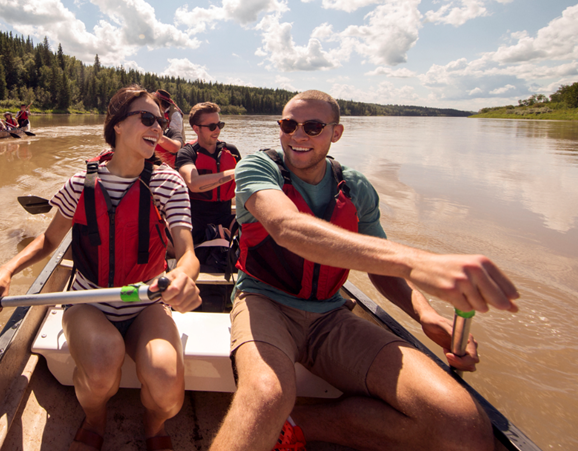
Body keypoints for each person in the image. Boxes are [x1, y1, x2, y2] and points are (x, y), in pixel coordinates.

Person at [209, 90, 520, 451]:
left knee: (461, 425)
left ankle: (301, 424)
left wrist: (426, 315)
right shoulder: (258, 167)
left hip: (329, 315)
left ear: (336, 133)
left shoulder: (355, 187)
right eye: (289, 124)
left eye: (312, 127)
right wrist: (419, 262)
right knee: (266, 396)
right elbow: (286, 227)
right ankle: (276, 419)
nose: (298, 135)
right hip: (263, 304)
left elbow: (383, 272)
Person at [0, 85, 201, 451]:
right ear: (116, 126)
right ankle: (95, 419)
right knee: (101, 367)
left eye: (160, 121)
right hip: (89, 301)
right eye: (147, 119)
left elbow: (187, 253)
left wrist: (182, 276)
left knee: (168, 390)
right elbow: (48, 242)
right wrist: (5, 270)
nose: (158, 128)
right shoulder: (79, 185)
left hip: (147, 302)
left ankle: (154, 422)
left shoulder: (169, 184)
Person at [176, 102, 241, 245]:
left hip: (226, 216)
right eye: (212, 126)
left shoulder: (232, 151)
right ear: (196, 129)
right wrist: (234, 172)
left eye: (220, 125)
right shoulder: (187, 153)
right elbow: (193, 184)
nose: (217, 130)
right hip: (196, 221)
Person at [153, 89, 185, 168]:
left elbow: (172, 135)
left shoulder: (175, 114)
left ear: (160, 101)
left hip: (172, 150)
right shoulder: (155, 112)